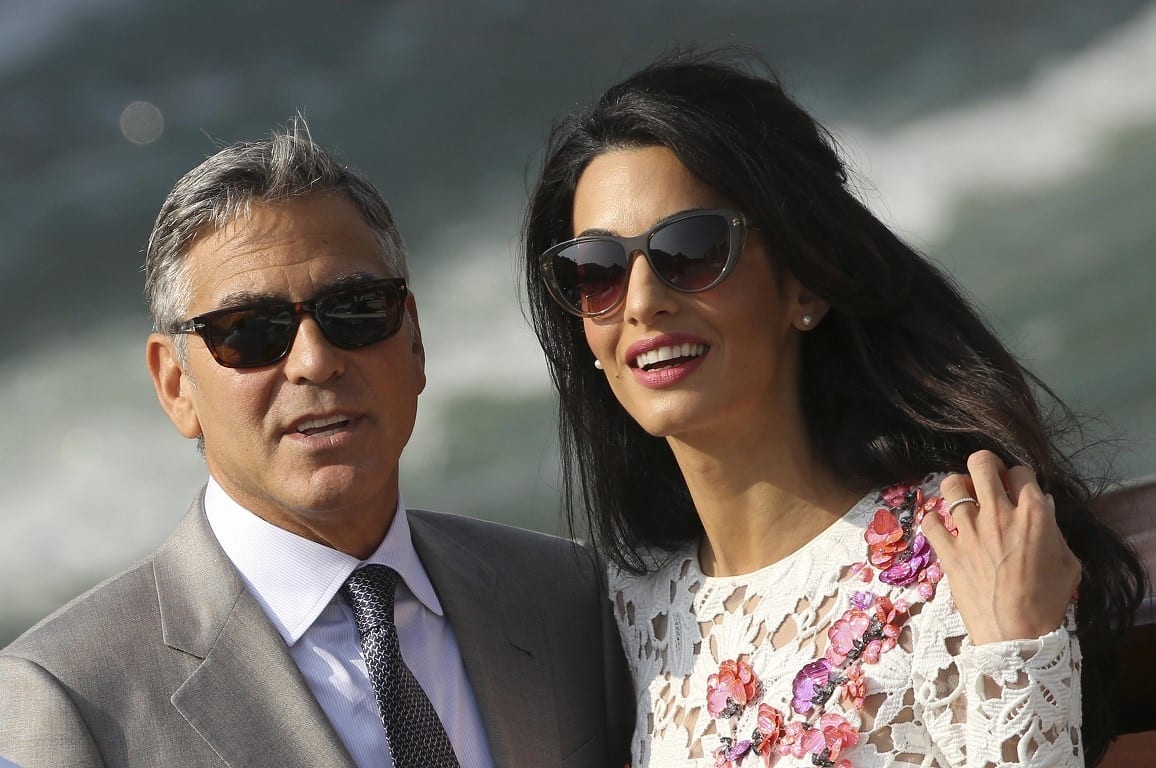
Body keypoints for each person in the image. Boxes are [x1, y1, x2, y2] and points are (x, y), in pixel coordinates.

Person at [520, 50, 1146, 768]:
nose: (640, 302)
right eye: (594, 272)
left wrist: (1018, 653)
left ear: (804, 287)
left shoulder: (960, 565)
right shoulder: (624, 615)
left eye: (689, 250)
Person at [0, 123, 632, 768]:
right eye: (248, 331)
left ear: (413, 339)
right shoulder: (65, 697)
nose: (314, 360)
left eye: (356, 308)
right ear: (175, 385)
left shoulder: (565, 594)